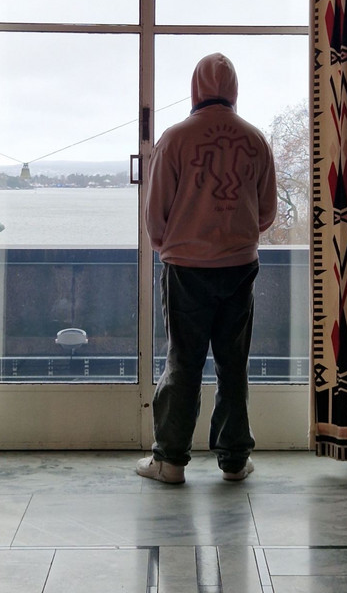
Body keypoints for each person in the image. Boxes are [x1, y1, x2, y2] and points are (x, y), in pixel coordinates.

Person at [136, 53, 277, 484]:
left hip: (186, 267)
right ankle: (234, 460)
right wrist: (235, 235)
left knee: (184, 361)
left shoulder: (175, 139)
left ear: (195, 88)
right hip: (239, 266)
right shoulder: (255, 140)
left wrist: (172, 245)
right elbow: (267, 213)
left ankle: (170, 461)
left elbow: (155, 214)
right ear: (234, 89)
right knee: (233, 363)